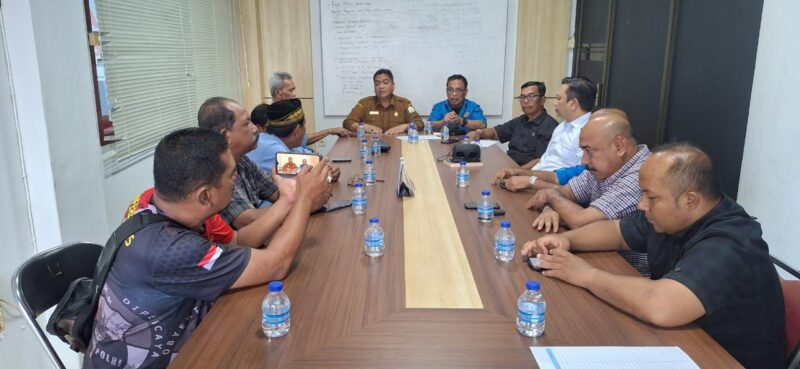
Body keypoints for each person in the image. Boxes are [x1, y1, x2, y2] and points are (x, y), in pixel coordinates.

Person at [521, 143, 785, 369]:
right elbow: (617, 231)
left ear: (690, 200)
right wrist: (565, 240)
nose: (641, 204)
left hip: (722, 358)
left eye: (650, 196)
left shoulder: (732, 242)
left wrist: (585, 274)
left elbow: (662, 305)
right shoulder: (670, 216)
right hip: (679, 343)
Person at [84, 128, 331, 369]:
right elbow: (275, 264)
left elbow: (236, 242)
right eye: (232, 176)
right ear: (205, 195)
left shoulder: (159, 202)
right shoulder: (172, 249)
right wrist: (304, 200)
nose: (235, 181)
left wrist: (288, 199)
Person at [526, 109, 650, 274]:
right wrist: (550, 208)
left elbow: (580, 222)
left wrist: (550, 195)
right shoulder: (602, 167)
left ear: (619, 146)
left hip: (628, 273)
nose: (584, 161)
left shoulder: (642, 174)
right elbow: (564, 193)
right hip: (598, 258)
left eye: (589, 150)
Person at [197, 97, 327, 229]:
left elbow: (277, 193)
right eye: (246, 124)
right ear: (225, 135)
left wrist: (311, 190)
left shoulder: (243, 161)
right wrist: (305, 203)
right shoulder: (214, 172)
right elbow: (247, 219)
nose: (255, 129)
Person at [488, 77, 597, 188]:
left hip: (550, 189)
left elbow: (579, 180)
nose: (555, 103)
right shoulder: (561, 127)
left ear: (573, 103)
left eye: (558, 99)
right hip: (535, 181)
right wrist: (518, 173)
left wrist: (529, 181)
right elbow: (543, 161)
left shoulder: (588, 133)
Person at [466, 81, 557, 166]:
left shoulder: (550, 127)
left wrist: (515, 172)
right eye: (522, 97)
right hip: (508, 165)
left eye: (531, 96)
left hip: (526, 174)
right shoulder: (521, 120)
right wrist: (478, 133)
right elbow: (496, 132)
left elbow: (539, 162)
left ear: (542, 100)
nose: (525, 101)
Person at [246, 99, 341, 179]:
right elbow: (307, 184)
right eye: (304, 126)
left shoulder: (283, 142)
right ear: (296, 131)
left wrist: (328, 168)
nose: (305, 131)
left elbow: (316, 162)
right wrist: (327, 176)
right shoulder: (276, 151)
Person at [268, 71, 350, 152]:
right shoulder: (271, 117)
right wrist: (328, 131)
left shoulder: (289, 110)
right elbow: (298, 139)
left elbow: (300, 138)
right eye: (291, 90)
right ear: (278, 92)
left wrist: (329, 131)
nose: (294, 95)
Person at [342, 68, 424, 135]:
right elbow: (348, 123)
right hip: (372, 146)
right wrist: (364, 127)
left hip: (398, 146)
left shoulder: (405, 104)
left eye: (385, 83)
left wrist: (405, 126)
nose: (381, 86)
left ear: (393, 85)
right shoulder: (364, 103)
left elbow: (420, 123)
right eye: (377, 84)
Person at [490, 165, 586, 192]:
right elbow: (555, 177)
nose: (583, 161)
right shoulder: (586, 169)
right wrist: (517, 171)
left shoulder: (592, 171)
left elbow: (571, 193)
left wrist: (531, 182)